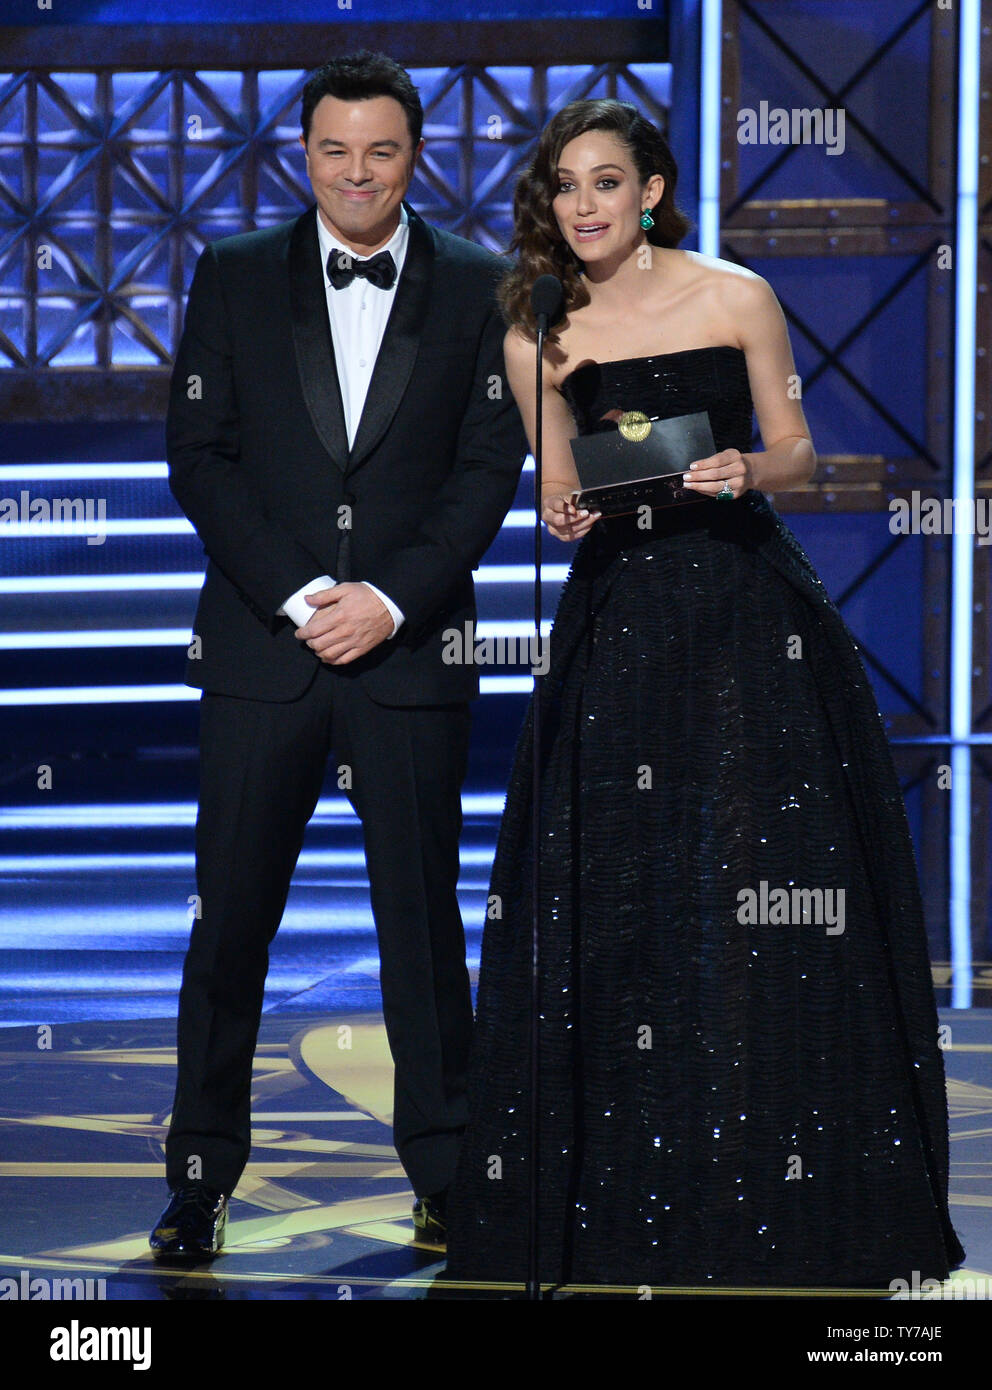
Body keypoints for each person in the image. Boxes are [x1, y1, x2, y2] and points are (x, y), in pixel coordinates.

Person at [443, 98, 965, 1291]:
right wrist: (561, 506)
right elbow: (560, 485)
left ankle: (779, 1178)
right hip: (618, 627)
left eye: (607, 183)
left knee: (760, 893)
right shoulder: (533, 325)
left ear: (653, 191)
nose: (584, 205)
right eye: (565, 185)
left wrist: (742, 465)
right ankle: (633, 1184)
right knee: (626, 894)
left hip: (745, 618)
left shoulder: (733, 295)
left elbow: (798, 449)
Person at [149, 50, 527, 1258]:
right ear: (299, 153)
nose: (356, 172)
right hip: (265, 654)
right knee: (229, 931)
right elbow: (197, 457)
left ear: (415, 155)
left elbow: (489, 468)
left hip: (408, 660)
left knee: (421, 927)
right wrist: (312, 595)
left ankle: (446, 1176)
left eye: (380, 149)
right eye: (332, 148)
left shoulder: (481, 285)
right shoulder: (235, 274)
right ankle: (199, 1183)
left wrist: (391, 603)